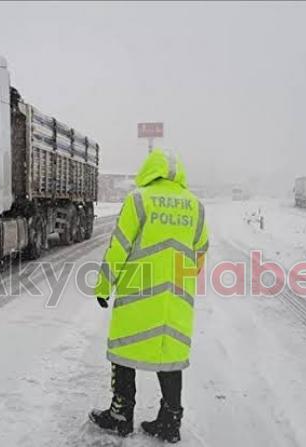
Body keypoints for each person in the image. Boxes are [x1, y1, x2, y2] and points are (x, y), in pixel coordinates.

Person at [89, 148, 209, 443]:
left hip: (137, 294)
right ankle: (170, 420)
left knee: (125, 350)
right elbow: (201, 250)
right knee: (169, 357)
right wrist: (182, 281)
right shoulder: (195, 205)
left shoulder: (139, 199)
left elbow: (119, 246)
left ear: (149, 171)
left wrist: (105, 285)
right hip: (175, 299)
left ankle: (120, 414)